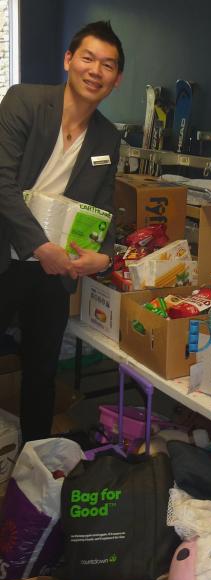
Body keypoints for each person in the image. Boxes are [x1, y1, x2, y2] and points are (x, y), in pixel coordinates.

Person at [0, 21, 124, 442]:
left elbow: (103, 207)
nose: (96, 70)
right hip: (6, 255)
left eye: (108, 65)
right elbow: (2, 183)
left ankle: (31, 466)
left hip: (54, 273)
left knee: (41, 372)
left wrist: (104, 255)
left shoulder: (108, 136)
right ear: (69, 60)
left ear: (117, 79)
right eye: (88, 58)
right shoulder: (25, 102)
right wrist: (39, 245)